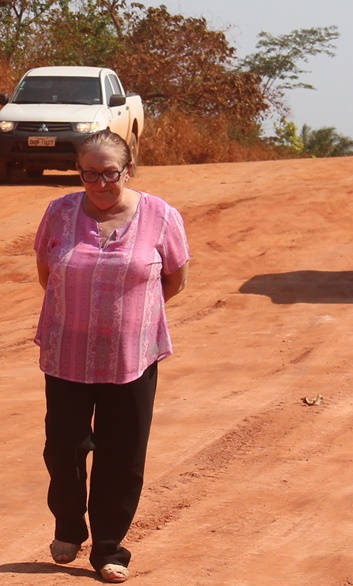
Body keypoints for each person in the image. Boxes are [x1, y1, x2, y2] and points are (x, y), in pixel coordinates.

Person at [34, 129, 190, 583]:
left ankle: (108, 548)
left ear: (128, 169)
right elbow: (48, 274)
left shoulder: (161, 215)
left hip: (132, 356)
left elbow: (174, 280)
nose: (100, 184)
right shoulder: (59, 213)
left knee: (122, 454)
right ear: (79, 173)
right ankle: (68, 525)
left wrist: (131, 317)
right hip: (66, 352)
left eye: (109, 173)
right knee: (64, 448)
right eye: (90, 175)